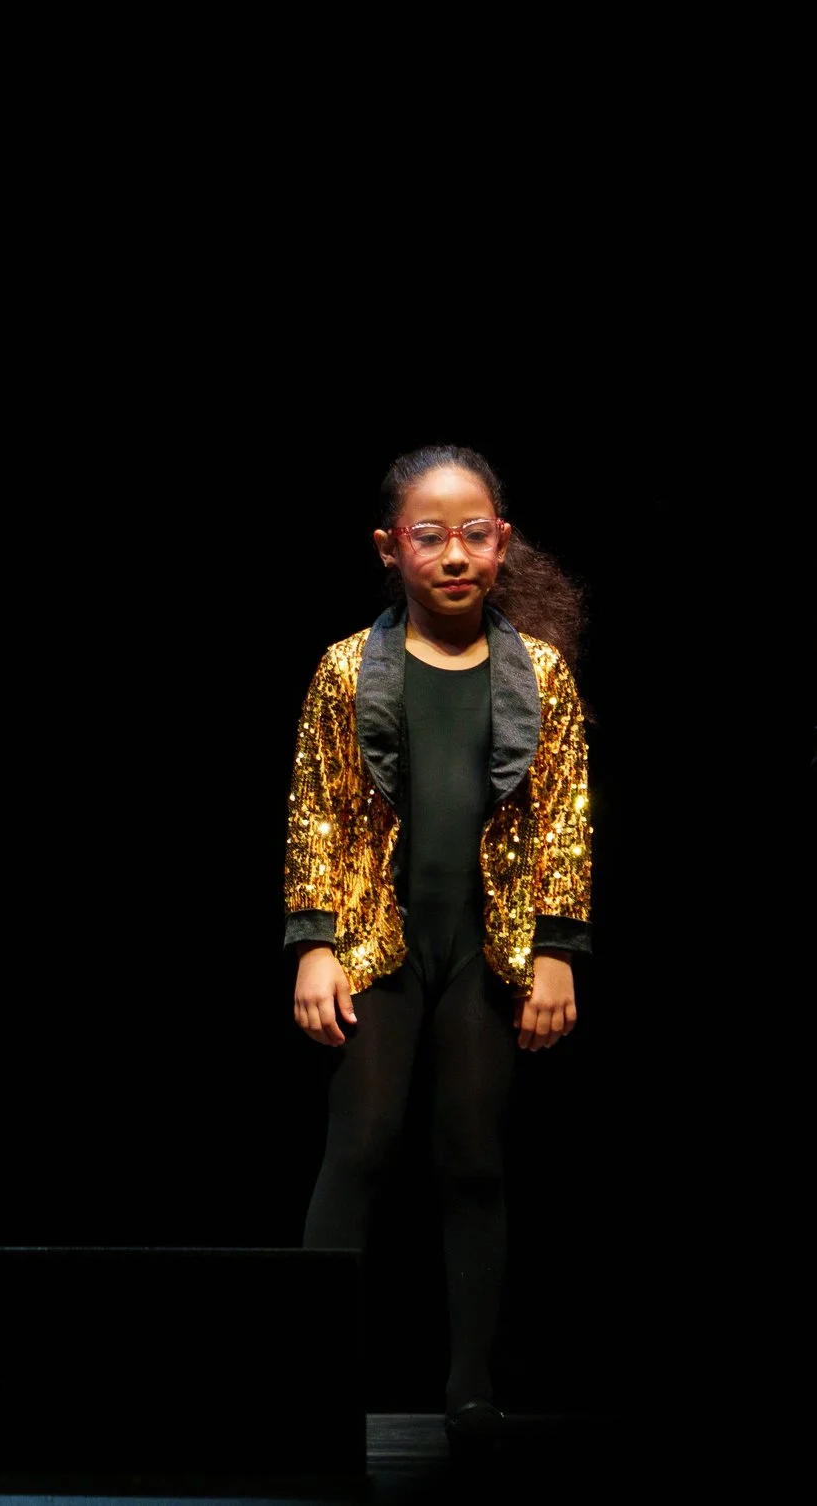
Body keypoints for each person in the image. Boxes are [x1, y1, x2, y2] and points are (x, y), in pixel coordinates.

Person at [283, 444, 590, 1456]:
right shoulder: (344, 668)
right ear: (389, 547)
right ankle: (312, 1380)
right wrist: (313, 943)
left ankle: (469, 1384)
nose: (453, 553)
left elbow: (563, 821)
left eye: (473, 533)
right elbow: (315, 812)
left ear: (500, 541)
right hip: (382, 945)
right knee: (360, 1143)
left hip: (486, 949)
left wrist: (557, 951)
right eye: (429, 534)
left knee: (470, 1155)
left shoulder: (538, 674)